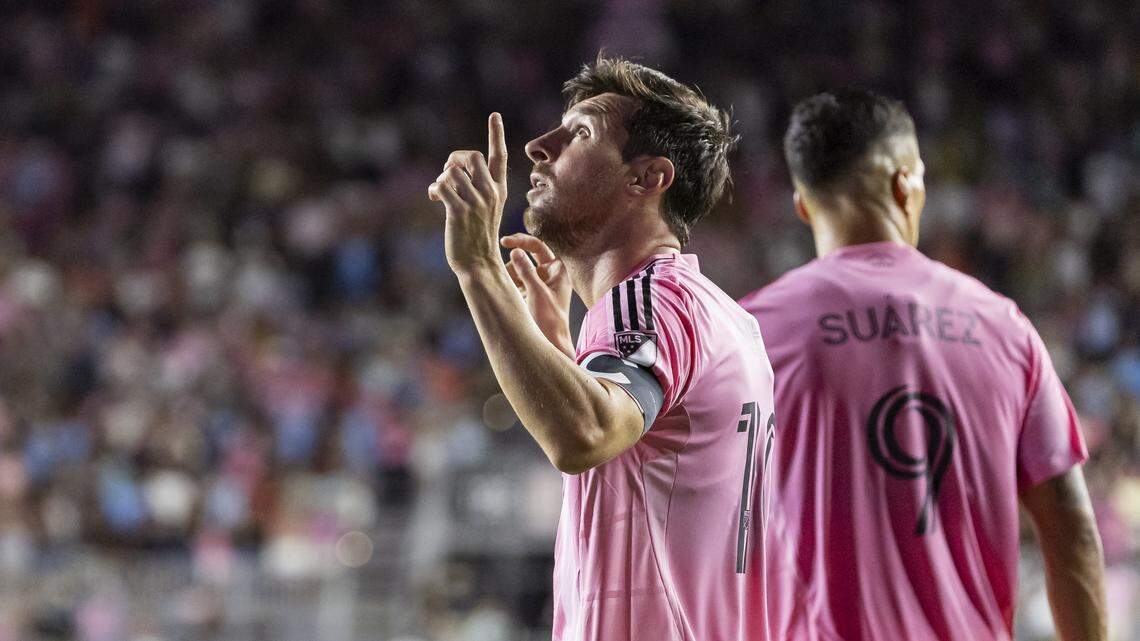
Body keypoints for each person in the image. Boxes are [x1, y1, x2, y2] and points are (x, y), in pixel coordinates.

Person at [739, 89, 1107, 641]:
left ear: (803, 204)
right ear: (906, 184)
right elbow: (1071, 530)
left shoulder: (747, 334)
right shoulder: (1004, 327)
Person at [427, 56, 774, 641]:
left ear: (646, 178)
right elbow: (646, 472)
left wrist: (479, 267)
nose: (540, 146)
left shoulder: (653, 300)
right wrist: (558, 347)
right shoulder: (714, 313)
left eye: (580, 133)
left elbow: (585, 434)